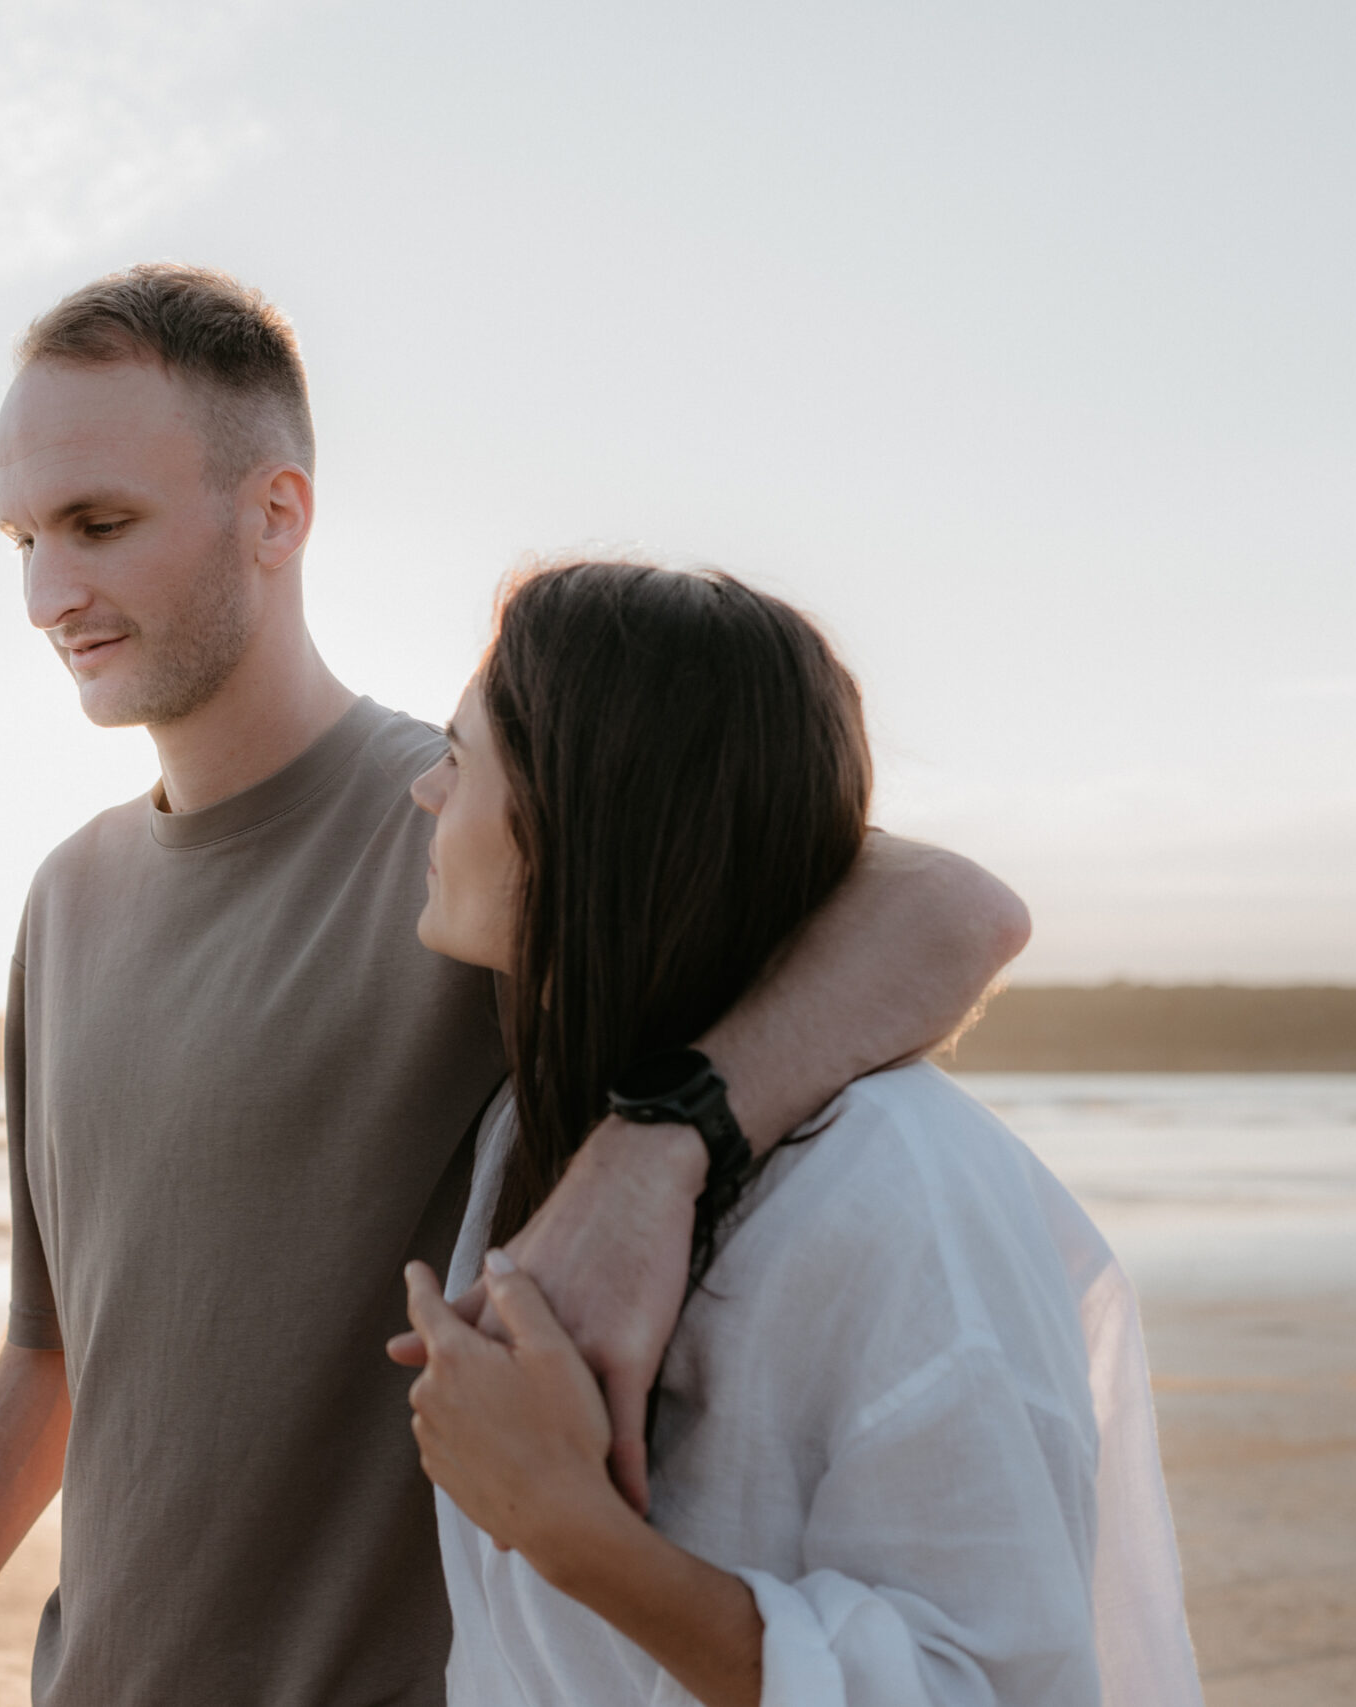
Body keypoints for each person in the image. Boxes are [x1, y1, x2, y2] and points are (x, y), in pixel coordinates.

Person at [0, 265, 1031, 1707]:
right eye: (23, 535)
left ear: (276, 513)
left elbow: (950, 904)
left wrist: (661, 1145)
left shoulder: (474, 829)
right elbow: (56, 1343)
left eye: (100, 525)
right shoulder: (66, 895)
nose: (46, 592)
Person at [398, 560, 1199, 1706]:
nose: (421, 794)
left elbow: (989, 1680)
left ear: (585, 812)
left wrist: (575, 1533)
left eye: (457, 758)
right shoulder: (532, 1129)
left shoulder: (896, 1184)